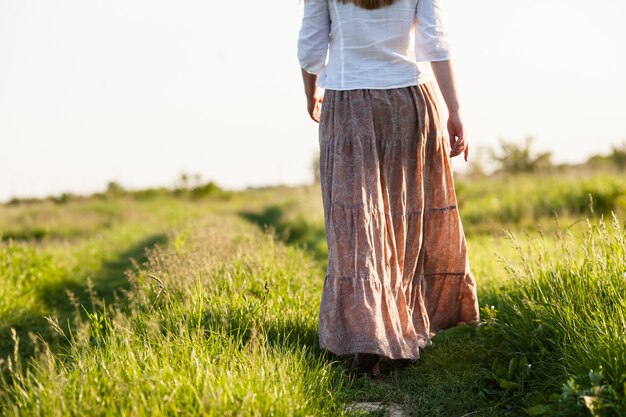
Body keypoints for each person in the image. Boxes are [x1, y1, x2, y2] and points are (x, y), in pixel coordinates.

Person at [297, 0, 480, 377]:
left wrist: (310, 90)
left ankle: (370, 338)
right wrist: (455, 110)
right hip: (411, 100)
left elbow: (311, 46)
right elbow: (437, 42)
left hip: (348, 101)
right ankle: (397, 332)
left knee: (357, 226)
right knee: (405, 222)